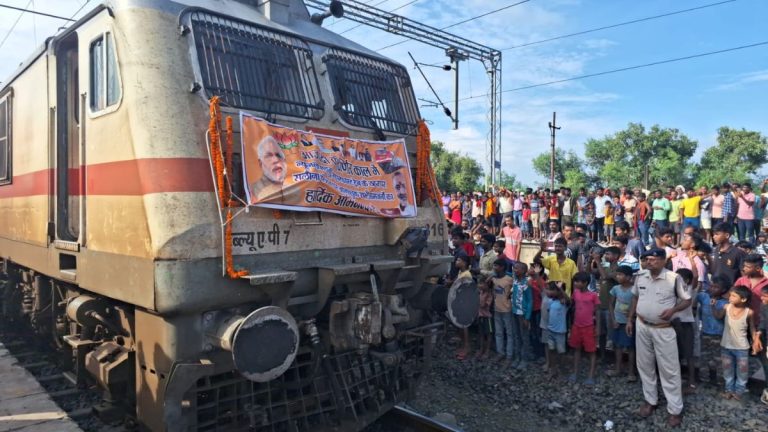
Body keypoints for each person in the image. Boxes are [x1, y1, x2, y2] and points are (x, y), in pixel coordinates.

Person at [626, 248, 691, 428]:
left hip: (664, 329)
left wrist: (673, 310)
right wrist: (630, 319)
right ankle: (650, 400)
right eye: (647, 259)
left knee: (669, 369)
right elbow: (635, 298)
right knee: (644, 365)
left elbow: (687, 300)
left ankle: (675, 410)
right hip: (642, 325)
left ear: (663, 261)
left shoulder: (673, 278)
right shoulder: (640, 276)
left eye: (654, 259)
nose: (649, 262)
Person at [713, 285, 758, 400]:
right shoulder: (726, 307)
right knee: (727, 371)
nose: (730, 297)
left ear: (743, 299)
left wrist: (755, 341)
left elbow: (752, 328)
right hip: (726, 346)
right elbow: (718, 316)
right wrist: (712, 307)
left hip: (742, 348)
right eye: (730, 295)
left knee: (742, 372)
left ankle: (739, 392)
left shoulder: (749, 313)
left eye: (733, 296)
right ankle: (729, 390)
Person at [606, 265, 637, 381]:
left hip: (629, 323)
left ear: (629, 277)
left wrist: (632, 315)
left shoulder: (634, 290)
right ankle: (618, 369)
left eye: (620, 275)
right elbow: (611, 304)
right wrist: (613, 319)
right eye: (617, 274)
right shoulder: (616, 289)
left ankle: (631, 372)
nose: (618, 277)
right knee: (617, 346)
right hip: (617, 322)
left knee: (630, 348)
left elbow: (637, 304)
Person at [569, 272, 600, 385]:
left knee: (591, 351)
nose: (576, 283)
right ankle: (575, 372)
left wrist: (598, 327)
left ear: (586, 283)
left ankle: (591, 375)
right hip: (576, 326)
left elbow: (597, 312)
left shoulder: (593, 295)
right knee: (576, 349)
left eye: (578, 281)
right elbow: (572, 305)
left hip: (589, 327)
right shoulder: (575, 293)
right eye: (575, 281)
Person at [697, 274, 729, 383]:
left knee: (718, 358)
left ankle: (720, 379)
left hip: (718, 334)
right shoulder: (704, 297)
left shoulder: (725, 303)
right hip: (705, 332)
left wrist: (713, 306)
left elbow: (719, 316)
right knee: (704, 356)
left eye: (716, 287)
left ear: (723, 289)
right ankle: (704, 377)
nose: (712, 288)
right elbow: (693, 296)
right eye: (711, 286)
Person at [674, 268, 698, 395]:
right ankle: (676, 381)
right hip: (673, 324)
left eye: (678, 278)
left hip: (685, 324)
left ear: (687, 280)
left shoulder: (688, 289)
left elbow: (696, 277)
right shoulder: (673, 290)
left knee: (688, 354)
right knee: (675, 354)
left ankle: (691, 382)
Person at [491, 259, 515, 366]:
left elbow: (516, 288)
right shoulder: (494, 279)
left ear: (502, 267)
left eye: (496, 266)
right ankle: (500, 352)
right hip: (497, 309)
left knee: (509, 333)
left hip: (507, 309)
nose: (494, 268)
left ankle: (509, 355)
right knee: (498, 332)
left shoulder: (509, 279)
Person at [509, 262, 533, 369]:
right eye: (514, 268)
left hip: (522, 314)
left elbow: (530, 301)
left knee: (524, 337)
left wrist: (527, 317)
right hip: (514, 312)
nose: (514, 270)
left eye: (517, 269)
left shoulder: (526, 283)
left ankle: (524, 359)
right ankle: (517, 357)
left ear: (524, 271)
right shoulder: (515, 281)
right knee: (516, 335)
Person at [250, 135, 288, 201]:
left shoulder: (295, 190)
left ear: (284, 159)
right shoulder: (253, 191)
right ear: (260, 163)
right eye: (268, 156)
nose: (276, 160)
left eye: (279, 155)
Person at [546, 282, 570, 377]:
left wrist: (560, 289)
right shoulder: (550, 301)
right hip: (550, 330)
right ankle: (553, 368)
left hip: (560, 332)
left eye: (551, 290)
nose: (548, 291)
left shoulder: (564, 302)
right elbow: (549, 311)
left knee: (561, 352)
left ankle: (562, 368)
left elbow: (569, 301)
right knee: (551, 350)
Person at [753, 286, 768, 405]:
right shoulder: (764, 306)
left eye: (765, 296)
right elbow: (762, 322)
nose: (762, 298)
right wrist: (757, 336)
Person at [475, 277, 494, 360]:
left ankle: (487, 351)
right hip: (480, 316)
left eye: (482, 283)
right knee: (481, 334)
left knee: (488, 334)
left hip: (487, 317)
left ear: (487, 285)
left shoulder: (489, 294)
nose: (480, 285)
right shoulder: (481, 292)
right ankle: (481, 349)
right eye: (479, 283)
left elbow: (484, 305)